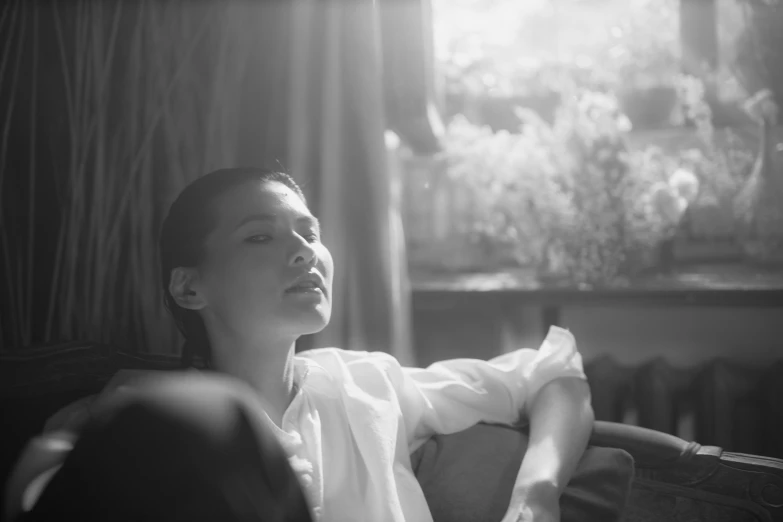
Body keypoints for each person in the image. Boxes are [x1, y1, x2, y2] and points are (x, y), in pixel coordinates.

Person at [18, 168, 599, 522]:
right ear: (189, 285)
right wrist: (90, 430)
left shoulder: (369, 384)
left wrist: (536, 494)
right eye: (261, 235)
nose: (303, 251)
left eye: (311, 232)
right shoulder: (162, 426)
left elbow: (553, 373)